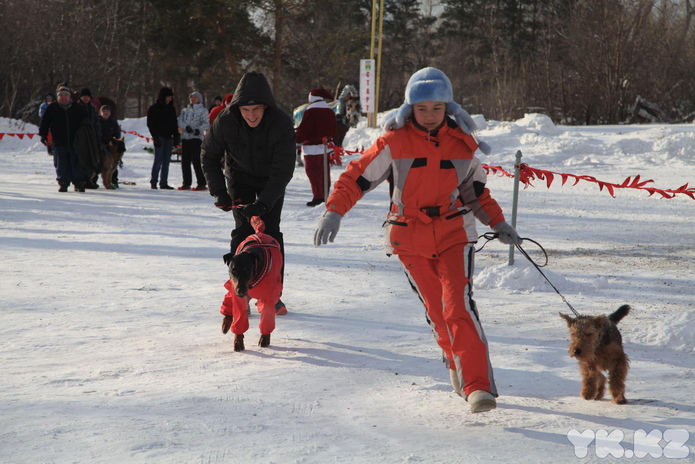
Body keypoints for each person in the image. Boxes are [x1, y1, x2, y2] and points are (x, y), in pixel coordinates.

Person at [313, 67, 521, 414]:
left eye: (436, 108)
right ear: (410, 109)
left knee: (459, 308)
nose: (429, 116)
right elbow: (356, 177)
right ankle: (454, 361)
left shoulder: (463, 145)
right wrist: (334, 211)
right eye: (422, 109)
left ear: (448, 108)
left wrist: (499, 223)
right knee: (438, 312)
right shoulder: (393, 143)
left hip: (455, 233)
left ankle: (478, 386)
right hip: (408, 236)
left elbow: (477, 194)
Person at [201, 71, 296, 315]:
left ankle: (272, 295)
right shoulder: (225, 121)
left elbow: (283, 170)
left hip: (270, 181)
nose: (251, 115)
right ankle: (239, 292)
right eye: (245, 110)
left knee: (270, 233)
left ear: (266, 107)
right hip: (239, 178)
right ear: (238, 108)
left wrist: (263, 204)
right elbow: (208, 156)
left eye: (256, 110)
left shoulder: (282, 124)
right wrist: (219, 192)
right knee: (243, 232)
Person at [38, 84, 89, 192]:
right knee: (61, 164)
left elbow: (88, 121)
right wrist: (43, 135)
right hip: (59, 141)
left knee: (76, 163)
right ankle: (63, 183)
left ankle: (79, 183)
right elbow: (45, 122)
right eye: (61, 95)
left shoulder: (78, 108)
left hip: (76, 142)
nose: (64, 97)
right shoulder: (52, 108)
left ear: (69, 97)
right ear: (58, 97)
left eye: (66, 95)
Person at [295, 88, 337, 207]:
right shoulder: (330, 111)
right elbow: (334, 131)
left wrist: (295, 138)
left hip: (312, 149)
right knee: (324, 173)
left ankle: (318, 197)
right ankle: (325, 195)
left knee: (313, 173)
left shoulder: (311, 111)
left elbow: (305, 131)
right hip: (326, 147)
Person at [147, 87, 179, 189]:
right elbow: (151, 124)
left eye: (171, 97)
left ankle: (163, 182)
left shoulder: (171, 109)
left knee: (166, 161)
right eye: (168, 97)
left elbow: (174, 124)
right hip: (159, 137)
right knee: (158, 159)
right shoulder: (154, 108)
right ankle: (154, 181)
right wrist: (155, 137)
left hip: (169, 137)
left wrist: (176, 137)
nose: (170, 99)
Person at [177, 91, 209, 190]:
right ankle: (186, 183)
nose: (192, 99)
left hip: (196, 138)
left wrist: (197, 130)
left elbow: (206, 123)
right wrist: (185, 127)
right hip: (186, 138)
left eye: (194, 97)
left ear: (199, 99)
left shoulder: (203, 111)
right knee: (185, 161)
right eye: (191, 97)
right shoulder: (185, 110)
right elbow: (179, 120)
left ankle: (201, 183)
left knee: (196, 161)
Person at [74, 88, 102, 189]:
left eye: (87, 96)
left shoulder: (93, 108)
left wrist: (98, 135)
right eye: (84, 96)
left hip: (92, 136)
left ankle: (89, 180)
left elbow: (96, 123)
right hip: (80, 137)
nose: (85, 98)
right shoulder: (76, 107)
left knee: (92, 158)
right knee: (81, 159)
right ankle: (80, 181)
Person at [97, 105, 124, 187]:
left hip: (111, 145)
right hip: (99, 144)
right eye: (104, 111)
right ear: (100, 112)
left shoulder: (113, 122)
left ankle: (113, 181)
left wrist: (114, 141)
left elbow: (117, 134)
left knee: (113, 164)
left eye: (107, 111)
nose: (106, 113)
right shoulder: (97, 121)